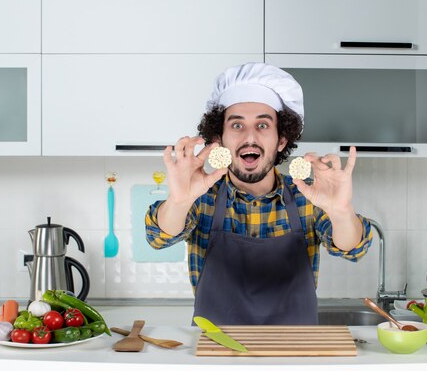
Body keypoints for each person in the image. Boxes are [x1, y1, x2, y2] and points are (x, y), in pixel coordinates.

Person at [145, 62, 372, 325]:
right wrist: (179, 201)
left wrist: (341, 212)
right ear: (219, 138)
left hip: (294, 354)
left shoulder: (307, 196)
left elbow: (353, 249)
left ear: (282, 140)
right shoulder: (201, 196)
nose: (250, 137)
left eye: (263, 126)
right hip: (216, 354)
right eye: (237, 126)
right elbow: (158, 237)